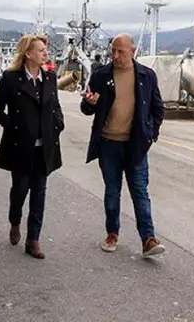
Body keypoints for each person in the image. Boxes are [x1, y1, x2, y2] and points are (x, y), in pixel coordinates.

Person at [80, 33, 166, 258]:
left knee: (140, 191)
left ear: (132, 51)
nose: (115, 55)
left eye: (120, 51)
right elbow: (87, 108)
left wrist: (151, 134)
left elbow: (158, 109)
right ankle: (112, 233)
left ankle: (148, 239)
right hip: (109, 143)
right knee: (112, 191)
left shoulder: (146, 76)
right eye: (113, 51)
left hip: (136, 145)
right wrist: (89, 103)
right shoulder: (101, 75)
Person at [0, 35, 64, 259]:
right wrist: (13, 127)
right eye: (40, 50)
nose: (45, 54)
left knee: (39, 193)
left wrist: (59, 124)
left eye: (45, 50)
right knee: (20, 190)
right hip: (21, 146)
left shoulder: (49, 78)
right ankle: (15, 221)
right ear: (28, 54)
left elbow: (55, 106)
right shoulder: (11, 79)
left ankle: (34, 239)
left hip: (44, 147)